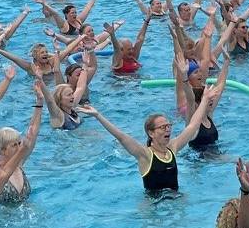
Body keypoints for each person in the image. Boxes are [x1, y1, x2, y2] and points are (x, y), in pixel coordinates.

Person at [82, 62, 225, 195]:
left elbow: (193, 125)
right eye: (163, 127)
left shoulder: (173, 148)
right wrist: (98, 115)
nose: (167, 130)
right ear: (151, 133)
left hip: (176, 201)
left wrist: (205, 100)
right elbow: (121, 136)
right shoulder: (145, 155)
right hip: (153, 208)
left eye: (168, 126)